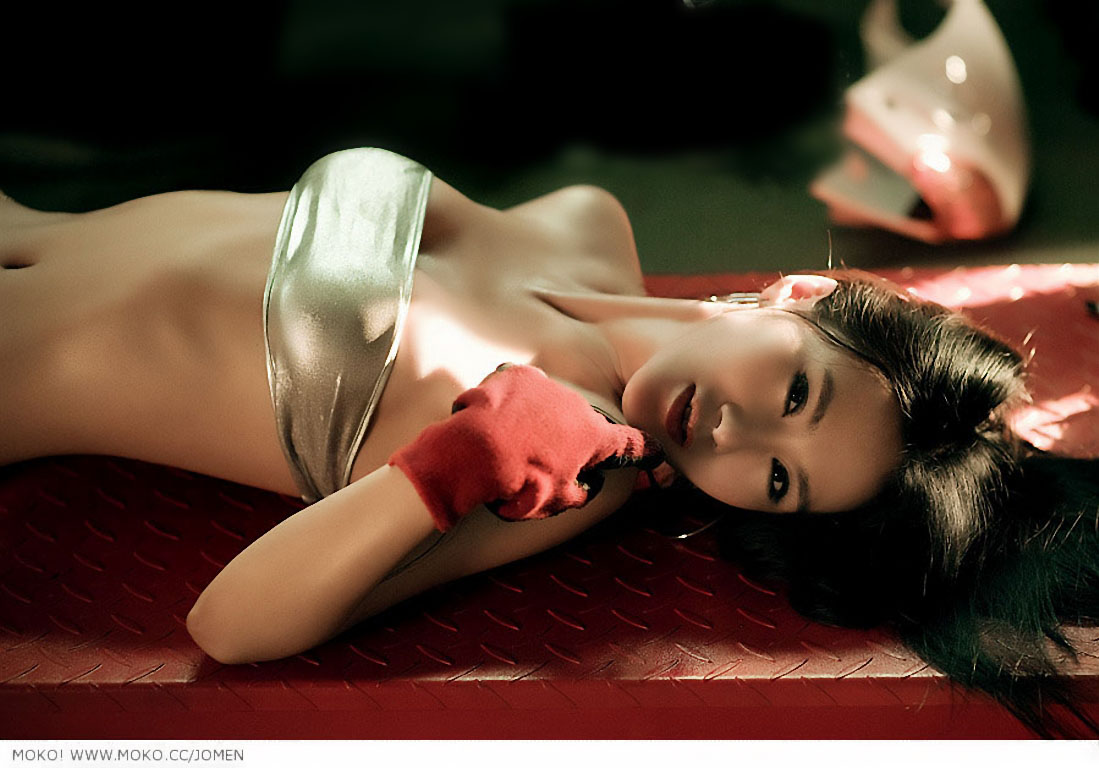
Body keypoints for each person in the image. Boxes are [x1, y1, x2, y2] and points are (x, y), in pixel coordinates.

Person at [0, 148, 1094, 735]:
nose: (732, 434)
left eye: (774, 478)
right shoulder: (585, 221)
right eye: (797, 392)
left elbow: (230, 628)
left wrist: (450, 467)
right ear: (803, 294)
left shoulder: (572, 471)